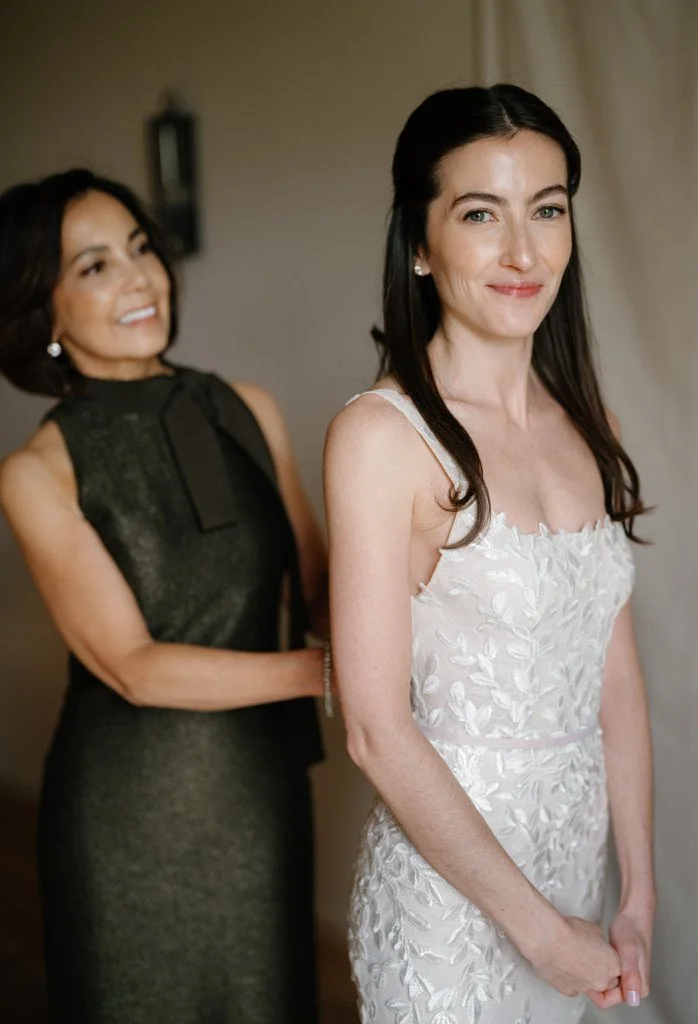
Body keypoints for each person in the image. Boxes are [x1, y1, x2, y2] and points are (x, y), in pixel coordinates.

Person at [324, 84, 655, 1023]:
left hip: (577, 880)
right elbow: (375, 729)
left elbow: (616, 681)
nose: (525, 252)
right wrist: (540, 934)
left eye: (548, 210)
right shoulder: (383, 438)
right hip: (450, 904)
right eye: (482, 214)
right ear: (420, 245)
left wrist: (636, 895)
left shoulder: (593, 429)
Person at [0, 168, 327, 1024]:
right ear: (45, 311)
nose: (140, 278)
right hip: (128, 816)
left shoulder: (248, 407)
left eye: (141, 249)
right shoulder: (39, 472)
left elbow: (322, 586)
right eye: (96, 266)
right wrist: (331, 675)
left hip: (259, 794)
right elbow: (136, 669)